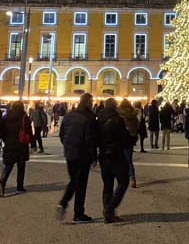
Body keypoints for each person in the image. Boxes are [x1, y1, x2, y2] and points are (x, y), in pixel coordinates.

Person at [56, 93, 96, 223]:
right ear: (88, 102)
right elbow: (90, 139)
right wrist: (94, 156)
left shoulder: (68, 115)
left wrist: (68, 146)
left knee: (74, 180)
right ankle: (77, 213)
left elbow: (61, 135)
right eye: (91, 101)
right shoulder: (89, 117)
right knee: (81, 184)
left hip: (70, 153)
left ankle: (65, 204)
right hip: (82, 154)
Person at [97, 98, 133, 223]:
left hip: (103, 156)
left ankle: (109, 214)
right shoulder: (117, 120)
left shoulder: (99, 120)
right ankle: (109, 208)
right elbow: (125, 139)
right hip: (116, 155)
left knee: (107, 185)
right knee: (123, 182)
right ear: (114, 106)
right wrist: (133, 138)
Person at [0, 100, 33, 197]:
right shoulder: (24, 117)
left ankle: (2, 183)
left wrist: (6, 139)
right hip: (21, 145)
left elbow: (2, 130)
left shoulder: (7, 116)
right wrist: (33, 143)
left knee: (8, 167)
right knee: (21, 167)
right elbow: (28, 131)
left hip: (9, 144)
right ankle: (19, 186)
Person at [117, 99, 139, 187]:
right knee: (129, 160)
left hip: (120, 139)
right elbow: (137, 126)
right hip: (130, 139)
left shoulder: (119, 115)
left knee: (119, 160)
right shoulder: (134, 115)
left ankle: (122, 179)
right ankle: (132, 179)